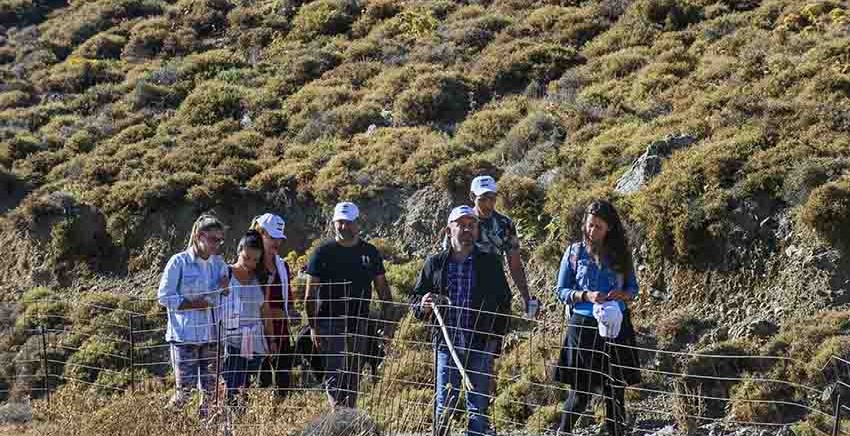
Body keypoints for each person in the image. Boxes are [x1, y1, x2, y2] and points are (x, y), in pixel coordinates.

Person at [411, 205, 513, 436]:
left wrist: (496, 339)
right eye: (461, 225)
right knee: (444, 405)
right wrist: (423, 304)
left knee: (478, 408)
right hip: (446, 345)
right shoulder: (435, 263)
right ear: (449, 231)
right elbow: (415, 299)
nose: (467, 229)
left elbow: (504, 301)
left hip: (481, 343)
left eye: (472, 225)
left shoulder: (490, 263)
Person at [553, 199, 642, 436]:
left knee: (615, 389)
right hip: (583, 327)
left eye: (598, 227)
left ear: (609, 228)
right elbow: (560, 291)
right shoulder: (574, 252)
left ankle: (615, 432)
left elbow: (634, 289)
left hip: (615, 326)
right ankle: (564, 431)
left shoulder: (622, 255)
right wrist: (586, 295)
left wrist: (622, 294)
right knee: (580, 393)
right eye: (589, 225)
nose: (592, 231)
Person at [304, 201, 393, 408]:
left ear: (357, 223)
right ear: (334, 223)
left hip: (359, 322)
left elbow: (384, 291)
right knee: (334, 376)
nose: (344, 227)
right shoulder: (321, 252)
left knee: (353, 376)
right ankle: (339, 419)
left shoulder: (370, 253)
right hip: (329, 322)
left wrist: (387, 325)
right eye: (340, 222)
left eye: (348, 222)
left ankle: (349, 418)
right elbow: (310, 294)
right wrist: (314, 327)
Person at [157, 213, 229, 419]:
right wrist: (193, 304)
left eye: (220, 240)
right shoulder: (178, 262)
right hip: (184, 338)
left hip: (212, 337)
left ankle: (206, 428)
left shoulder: (219, 264)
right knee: (184, 393)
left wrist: (224, 289)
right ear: (199, 235)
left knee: (210, 394)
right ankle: (164, 424)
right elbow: (164, 296)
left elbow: (221, 296)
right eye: (214, 239)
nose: (217, 244)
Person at [446, 175, 536, 316]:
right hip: (464, 288)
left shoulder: (505, 224)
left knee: (493, 334)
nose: (488, 204)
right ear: (472, 196)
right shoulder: (460, 223)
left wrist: (526, 296)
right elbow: (447, 258)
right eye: (482, 199)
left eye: (492, 198)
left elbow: (515, 264)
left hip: (494, 288)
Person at [250, 213, 299, 397]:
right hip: (256, 334)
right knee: (259, 383)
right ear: (260, 233)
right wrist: (282, 314)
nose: (276, 243)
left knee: (283, 383)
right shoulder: (249, 266)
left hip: (281, 333)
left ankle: (276, 415)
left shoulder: (282, 266)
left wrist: (292, 312)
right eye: (272, 237)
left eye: (279, 238)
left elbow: (288, 299)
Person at [219, 231, 267, 407]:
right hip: (231, 343)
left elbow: (265, 311)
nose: (251, 264)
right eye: (247, 258)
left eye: (255, 260)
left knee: (247, 391)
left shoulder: (259, 279)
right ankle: (228, 427)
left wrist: (270, 339)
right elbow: (214, 304)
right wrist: (222, 290)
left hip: (254, 343)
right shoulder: (225, 274)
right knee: (232, 389)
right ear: (239, 251)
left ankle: (241, 426)